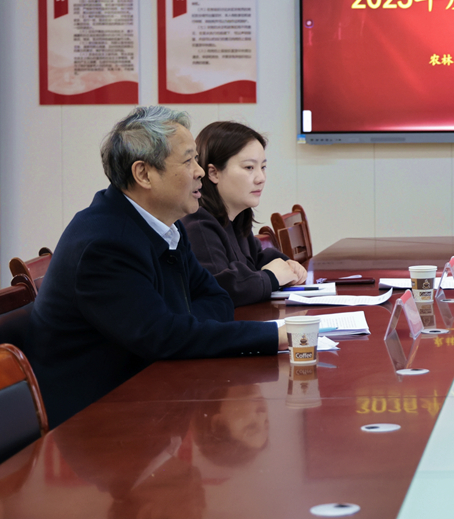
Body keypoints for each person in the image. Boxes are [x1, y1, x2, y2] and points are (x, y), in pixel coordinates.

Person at [27, 107, 285, 428]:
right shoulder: (105, 244)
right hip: (94, 421)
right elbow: (164, 338)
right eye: (188, 161)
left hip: (149, 396)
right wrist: (274, 335)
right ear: (144, 174)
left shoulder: (166, 226)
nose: (200, 172)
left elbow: (217, 299)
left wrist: (177, 325)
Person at [182, 121, 306, 306]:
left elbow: (256, 260)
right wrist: (271, 277)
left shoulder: (237, 216)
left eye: (263, 167)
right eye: (249, 167)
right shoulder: (198, 224)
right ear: (213, 173)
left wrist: (288, 265)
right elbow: (220, 289)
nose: (261, 178)